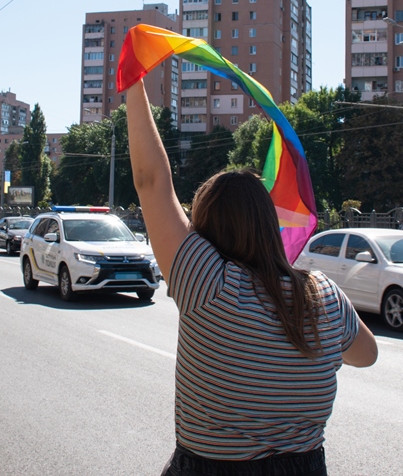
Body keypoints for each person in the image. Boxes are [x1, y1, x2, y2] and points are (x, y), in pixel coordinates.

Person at [125, 79, 377, 476]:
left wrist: (133, 80)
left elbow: (151, 181)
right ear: (268, 224)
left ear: (205, 230)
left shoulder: (207, 282)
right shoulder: (323, 294)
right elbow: (367, 354)